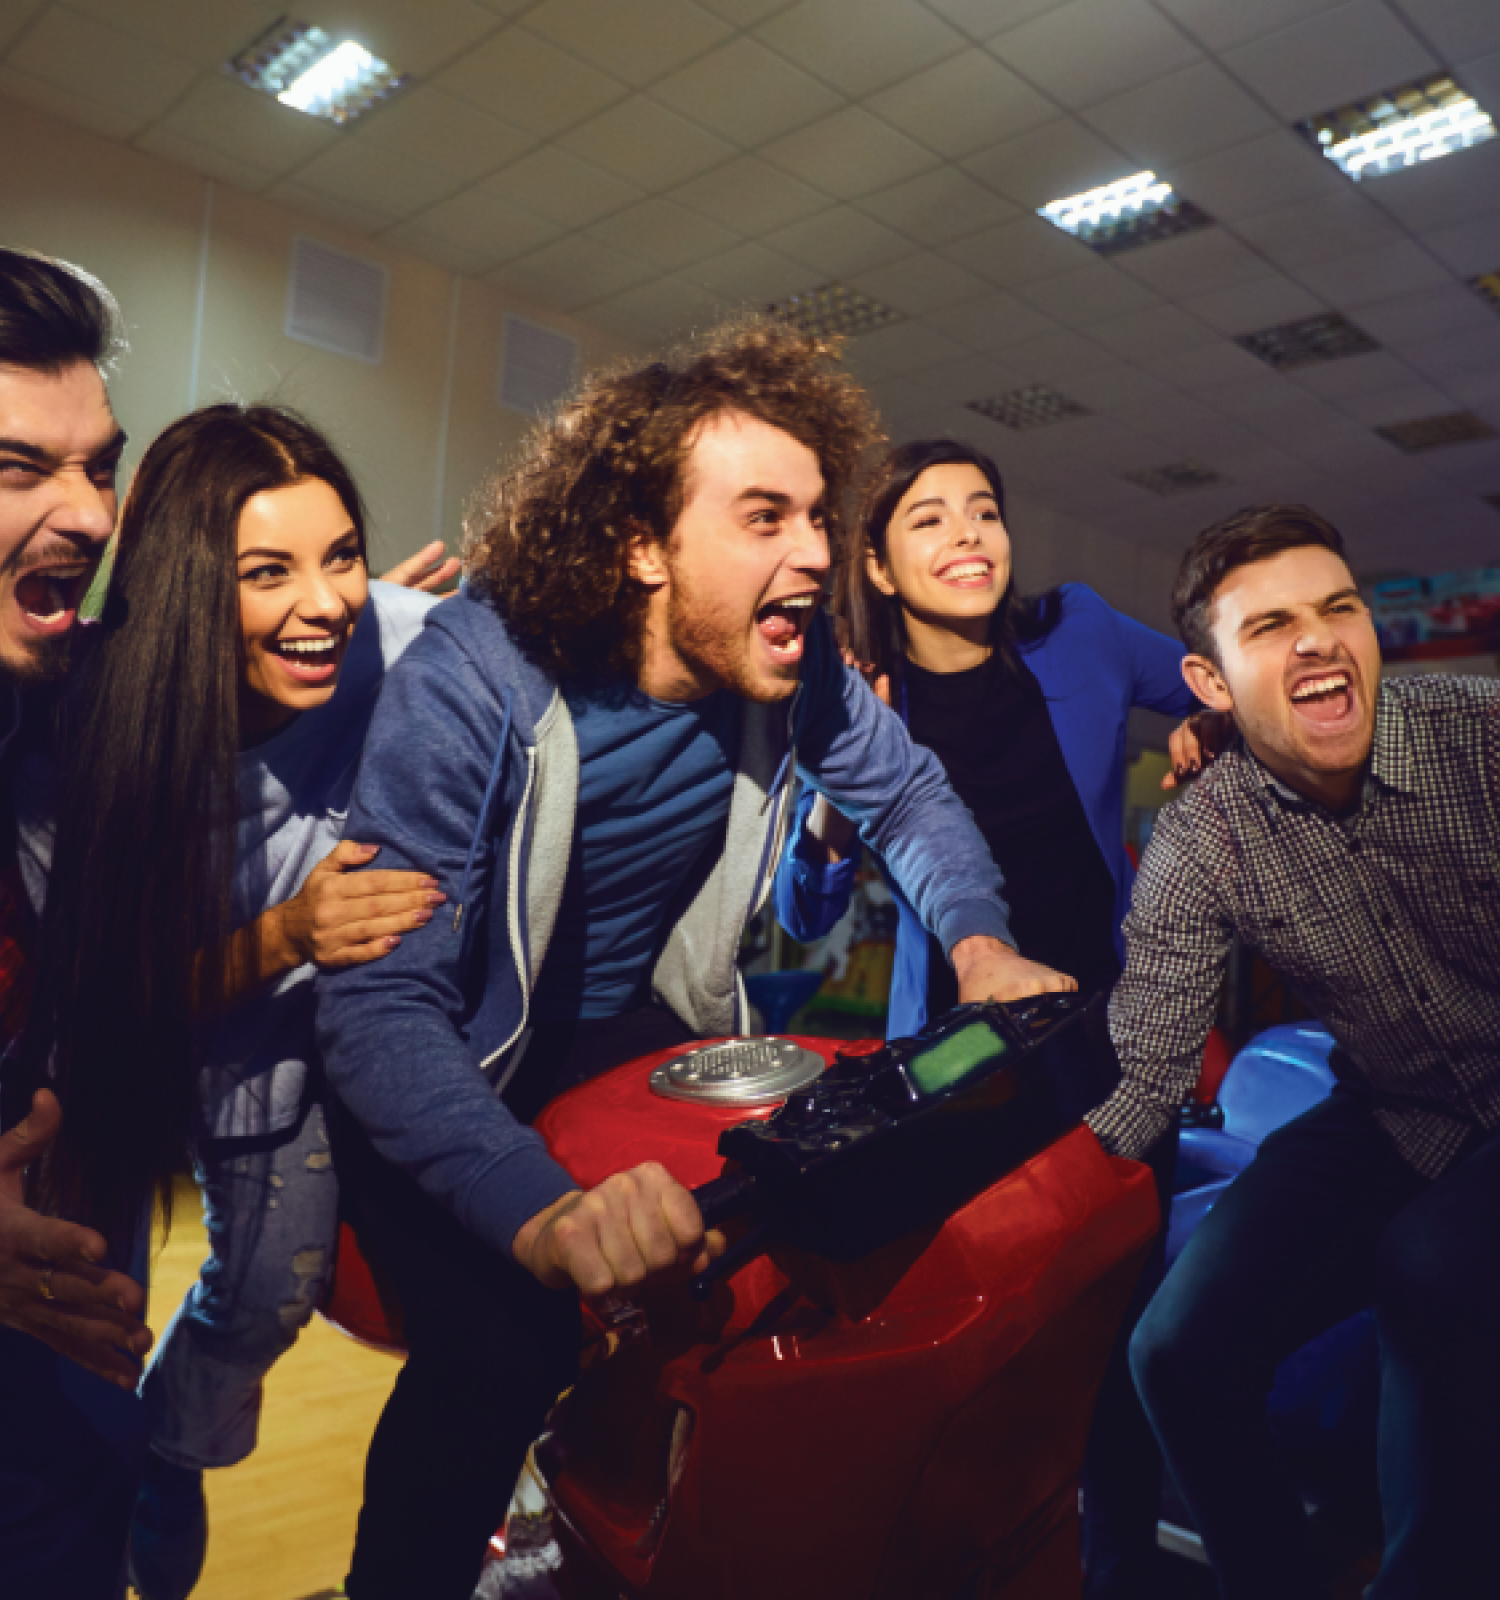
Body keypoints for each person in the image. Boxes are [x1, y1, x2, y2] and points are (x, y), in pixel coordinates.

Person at [316, 318, 1072, 1600]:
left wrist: (985, 951)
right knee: (502, 1344)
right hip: (447, 1047)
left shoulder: (790, 661)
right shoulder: (478, 671)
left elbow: (912, 802)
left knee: (785, 1235)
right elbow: (381, 1003)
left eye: (821, 517)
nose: (818, 555)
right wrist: (546, 1213)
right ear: (641, 546)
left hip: (622, 1026)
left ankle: (606, 1520)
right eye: (766, 517)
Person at [10, 403, 440, 1600]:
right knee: (74, 1366)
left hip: (289, 1051)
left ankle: (180, 1440)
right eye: (269, 571)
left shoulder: (391, 636)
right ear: (195, 587)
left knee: (267, 1287)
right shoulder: (85, 722)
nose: (326, 601)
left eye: (341, 555)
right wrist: (284, 932)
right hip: (122, 1057)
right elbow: (98, 998)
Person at [771, 437, 1206, 1599]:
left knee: (1120, 1329)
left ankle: (1109, 1568)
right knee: (984, 1333)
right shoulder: (861, 703)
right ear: (876, 560)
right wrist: (824, 810)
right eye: (929, 519)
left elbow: (1221, 681)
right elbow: (802, 916)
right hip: (966, 1055)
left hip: (1117, 1032)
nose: (967, 534)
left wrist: (1203, 727)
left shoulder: (1084, 633)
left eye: (984, 511)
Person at [1086, 505, 1500, 1599]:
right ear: (1210, 683)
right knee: (1174, 1353)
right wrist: (1032, 1189)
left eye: (1338, 609)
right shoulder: (1204, 832)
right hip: (1395, 1106)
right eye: (1270, 626)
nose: (1317, 639)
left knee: (1435, 1265)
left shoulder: (1483, 736)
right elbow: (1149, 1069)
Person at [0, 245, 158, 1600]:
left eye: (97, 467)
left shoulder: (51, 697)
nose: (90, 514)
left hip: (55, 1353)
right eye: (18, 469)